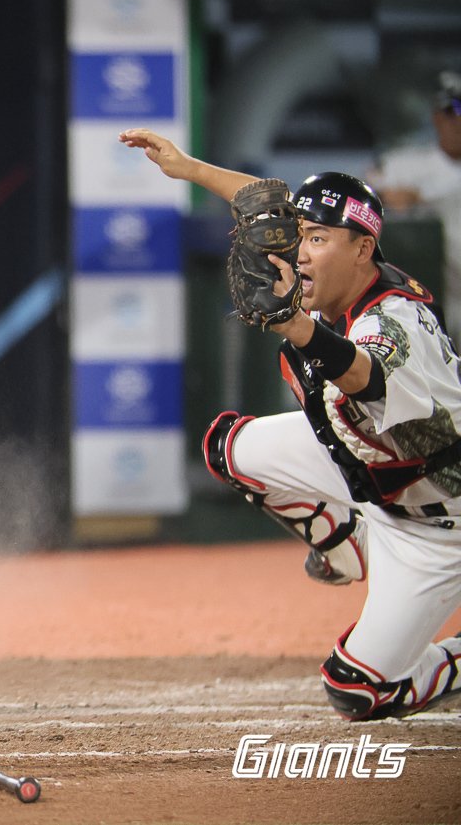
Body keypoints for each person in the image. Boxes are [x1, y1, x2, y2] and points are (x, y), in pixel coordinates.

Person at [120, 127, 461, 721]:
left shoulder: (393, 317)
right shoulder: (328, 283)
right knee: (230, 448)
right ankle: (348, 547)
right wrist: (188, 167)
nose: (299, 251)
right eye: (299, 236)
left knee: (358, 691)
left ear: (363, 249)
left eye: (319, 239)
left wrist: (297, 328)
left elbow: (366, 376)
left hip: (439, 524)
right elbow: (267, 204)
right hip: (368, 470)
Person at [369, 71, 461, 334]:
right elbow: (365, 193)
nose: (456, 120)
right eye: (449, 111)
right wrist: (386, 196)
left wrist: (420, 198)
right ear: (436, 117)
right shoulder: (405, 165)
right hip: (423, 298)